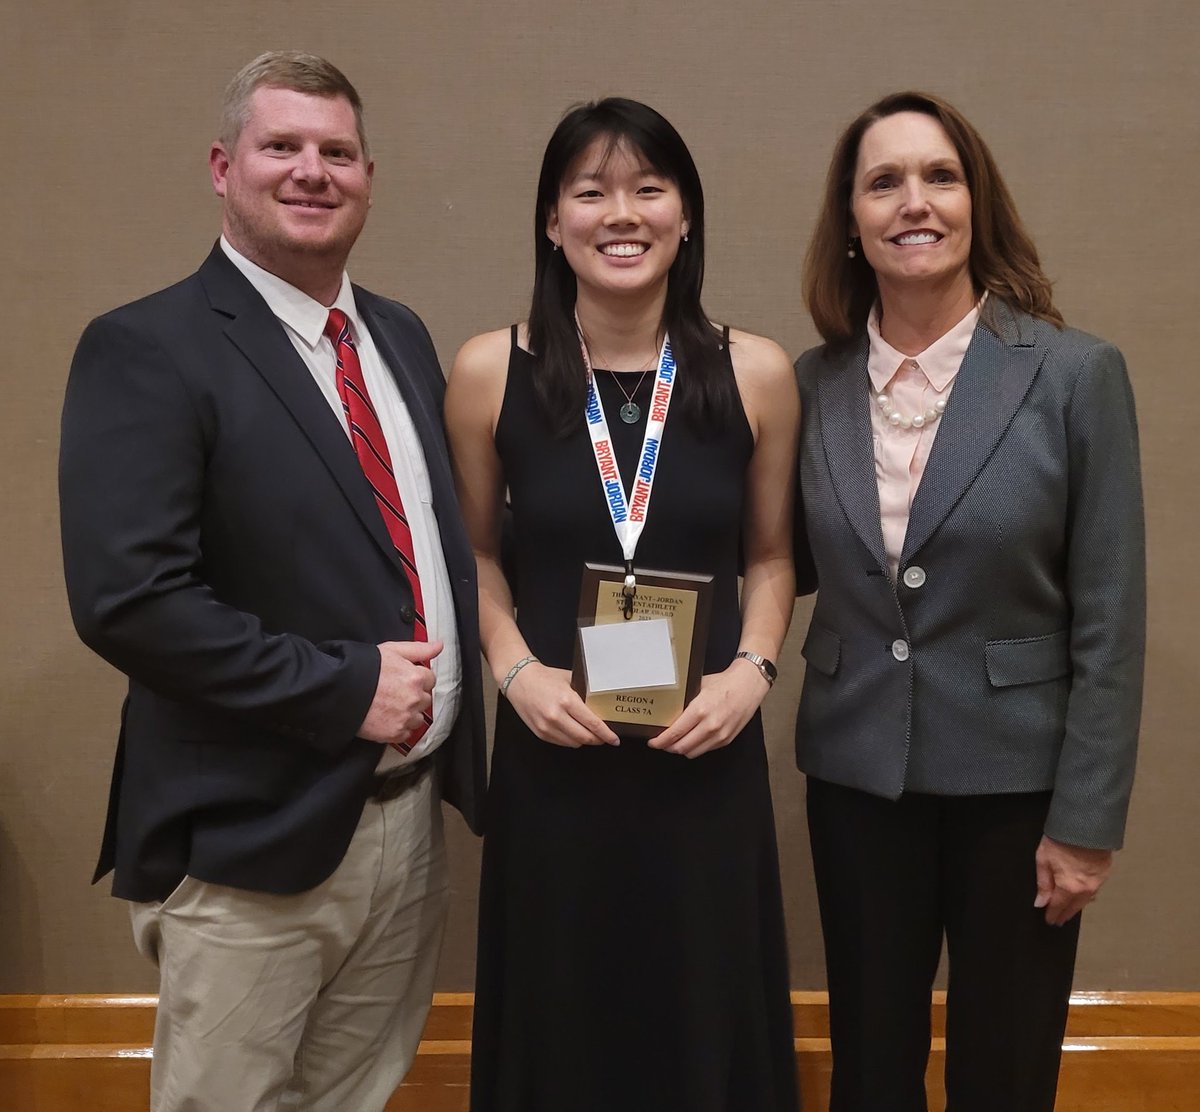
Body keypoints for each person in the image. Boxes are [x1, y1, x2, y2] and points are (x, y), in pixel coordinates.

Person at [58, 51, 485, 1112]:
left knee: (355, 1092)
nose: (312, 171)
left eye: (336, 152)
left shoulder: (397, 335)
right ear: (222, 166)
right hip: (252, 837)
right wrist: (346, 690)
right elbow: (132, 599)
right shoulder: (146, 348)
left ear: (369, 177)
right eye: (282, 146)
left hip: (407, 822)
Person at [792, 90, 1145, 1111]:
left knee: (1004, 1069)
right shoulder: (809, 383)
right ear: (851, 218)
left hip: (1019, 790)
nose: (915, 201)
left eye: (940, 176)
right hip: (857, 778)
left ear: (976, 201)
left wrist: (1087, 818)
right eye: (883, 180)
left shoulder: (1076, 375)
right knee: (871, 1064)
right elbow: (765, 560)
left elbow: (1111, 615)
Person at [446, 98, 801, 1111]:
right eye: (591, 190)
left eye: (649, 187)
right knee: (562, 1020)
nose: (622, 212)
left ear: (686, 215)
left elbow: (772, 557)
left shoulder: (758, 372)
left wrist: (753, 672)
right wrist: (512, 671)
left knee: (703, 1014)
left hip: (706, 755)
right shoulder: (486, 372)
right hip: (555, 754)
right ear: (552, 221)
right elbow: (469, 552)